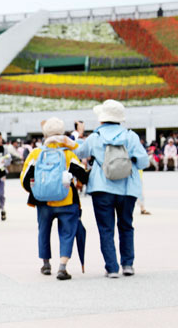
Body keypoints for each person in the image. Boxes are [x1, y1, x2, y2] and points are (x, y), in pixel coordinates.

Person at [74, 99, 148, 277]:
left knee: (105, 228)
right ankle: (128, 265)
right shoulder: (130, 136)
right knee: (126, 225)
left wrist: (79, 136)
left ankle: (112, 267)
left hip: (102, 188)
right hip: (127, 189)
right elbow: (144, 161)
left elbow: (79, 153)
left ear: (101, 119)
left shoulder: (95, 137)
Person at [20, 118, 89, 280]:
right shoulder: (68, 153)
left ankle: (46, 264)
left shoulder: (36, 154)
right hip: (66, 200)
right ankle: (62, 267)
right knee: (67, 232)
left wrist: (38, 191)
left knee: (43, 231)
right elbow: (83, 176)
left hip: (43, 202)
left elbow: (24, 179)